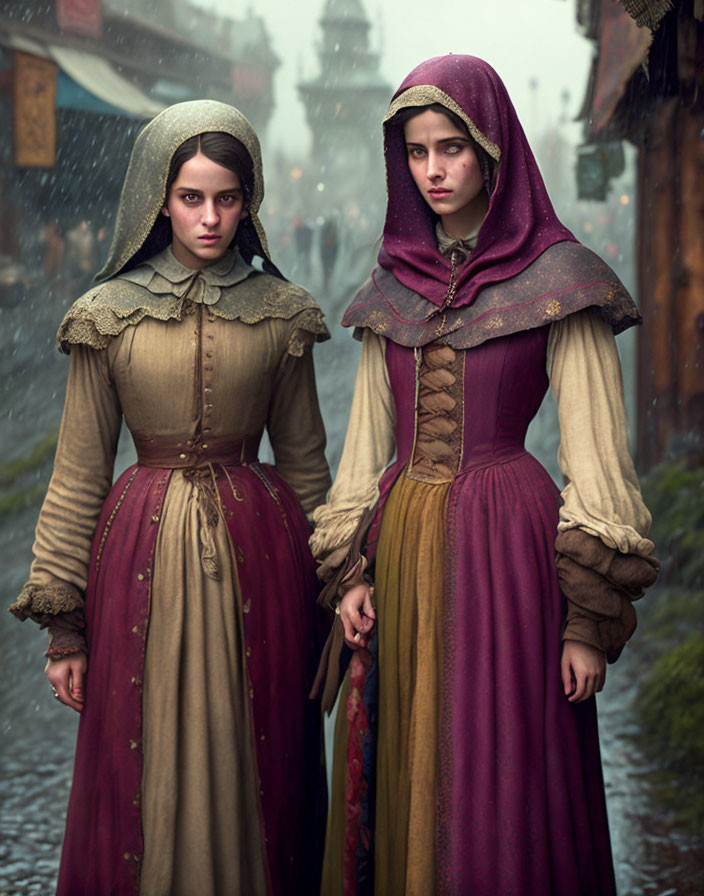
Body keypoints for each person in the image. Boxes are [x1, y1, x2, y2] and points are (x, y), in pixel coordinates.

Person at [309, 56, 660, 896]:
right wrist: (349, 573)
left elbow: (597, 456)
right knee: (407, 759)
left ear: (494, 152)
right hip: (400, 550)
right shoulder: (391, 289)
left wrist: (585, 620)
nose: (433, 170)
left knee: (500, 760)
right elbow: (363, 448)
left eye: (453, 149)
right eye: (418, 151)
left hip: (510, 550)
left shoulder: (558, 280)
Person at [10, 100, 331, 896]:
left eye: (228, 198)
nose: (211, 217)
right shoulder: (106, 316)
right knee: (139, 744)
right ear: (159, 196)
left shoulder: (280, 313)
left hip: (264, 559)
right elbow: (80, 473)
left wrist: (336, 589)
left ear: (248, 202)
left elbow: (307, 467)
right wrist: (63, 626)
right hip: (136, 560)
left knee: (259, 743)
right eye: (192, 198)